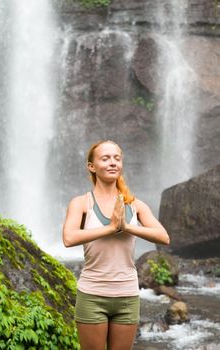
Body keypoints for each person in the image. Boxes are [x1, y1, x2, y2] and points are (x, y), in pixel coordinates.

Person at [62, 140, 170, 350]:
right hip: (92, 294)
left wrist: (128, 227)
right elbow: (69, 238)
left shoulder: (134, 205)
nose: (112, 163)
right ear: (91, 166)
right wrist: (111, 227)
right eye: (105, 158)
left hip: (127, 295)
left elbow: (163, 237)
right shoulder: (81, 203)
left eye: (117, 158)